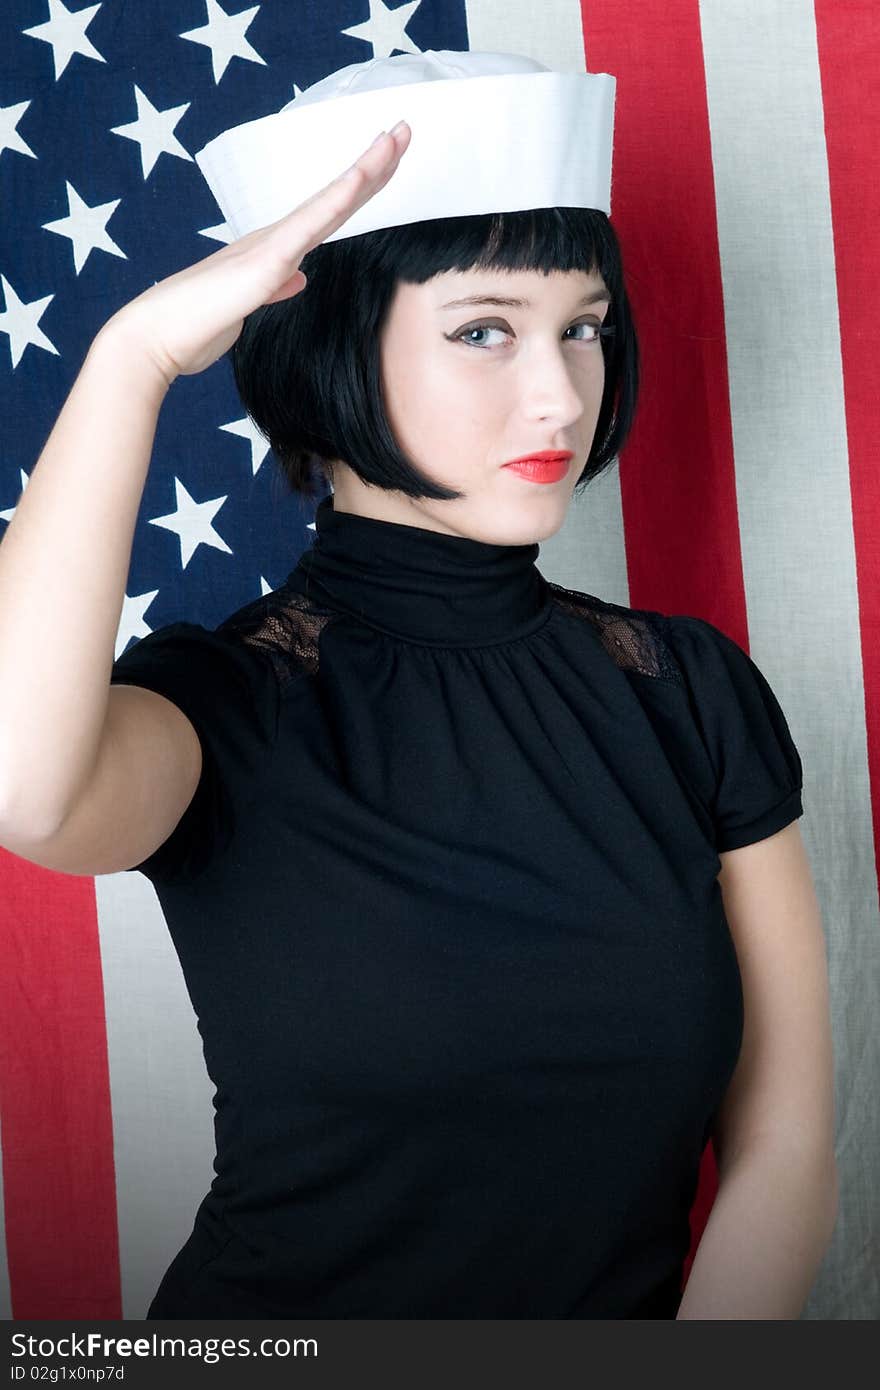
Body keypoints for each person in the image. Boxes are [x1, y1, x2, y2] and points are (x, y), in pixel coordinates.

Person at [0, 52, 835, 1320]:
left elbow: (784, 1151)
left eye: (584, 326)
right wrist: (133, 356)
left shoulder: (690, 691)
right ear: (331, 348)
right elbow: (27, 790)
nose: (560, 390)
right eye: (483, 330)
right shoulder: (228, 704)